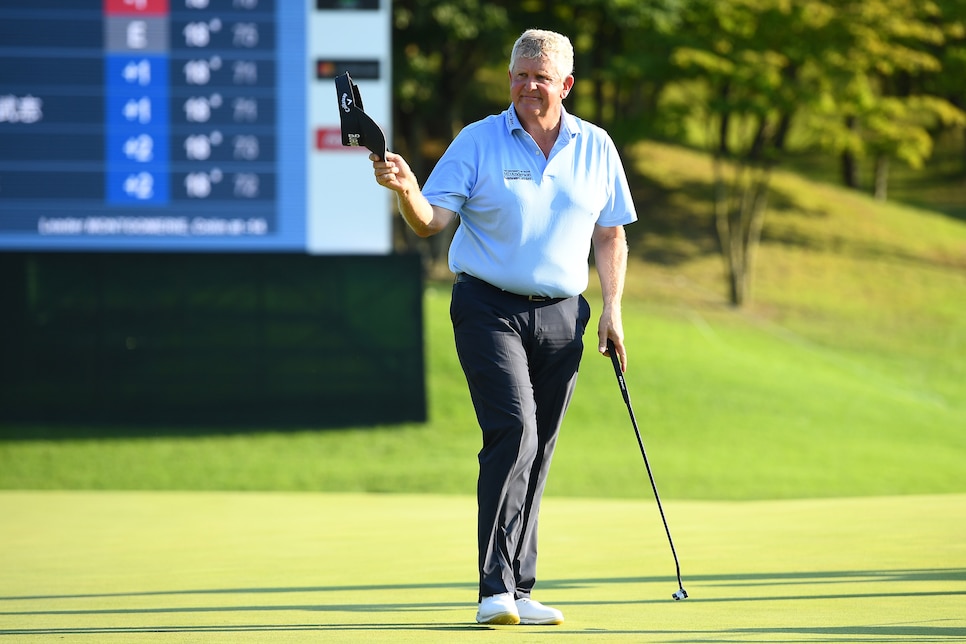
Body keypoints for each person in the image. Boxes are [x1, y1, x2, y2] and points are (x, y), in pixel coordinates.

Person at [370, 28, 637, 626]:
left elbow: (610, 231)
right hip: (488, 307)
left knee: (539, 449)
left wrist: (614, 310)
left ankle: (520, 587)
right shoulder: (478, 141)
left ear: (565, 85)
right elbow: (430, 222)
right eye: (519, 74)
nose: (527, 86)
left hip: (565, 316)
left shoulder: (596, 147)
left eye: (540, 77)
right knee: (514, 428)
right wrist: (408, 190)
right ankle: (494, 588)